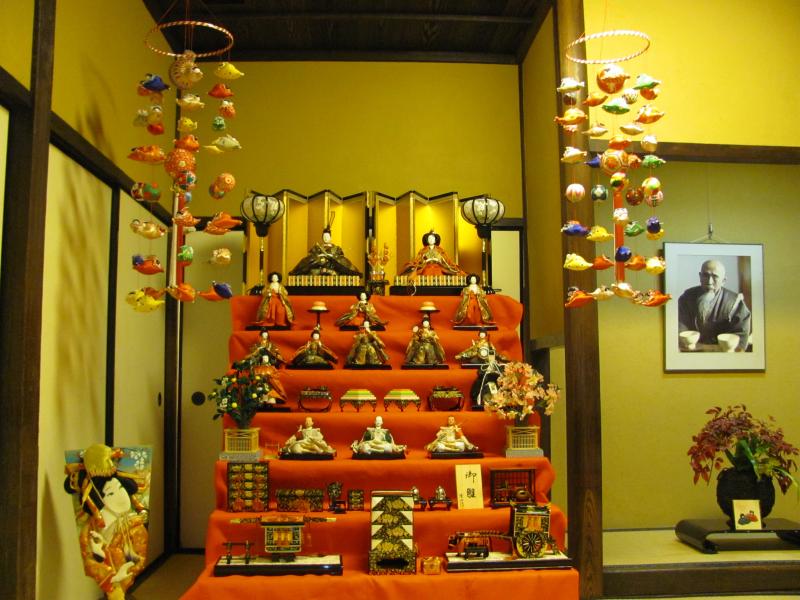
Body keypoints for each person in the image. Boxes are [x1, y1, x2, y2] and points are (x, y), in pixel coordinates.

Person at [67, 472, 149, 600]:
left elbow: (140, 559)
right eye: (111, 493)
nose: (122, 496)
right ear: (98, 500)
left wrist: (127, 571)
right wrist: (101, 555)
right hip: (110, 584)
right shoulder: (89, 532)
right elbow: (90, 563)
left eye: (121, 488)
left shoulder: (135, 527)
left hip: (123, 580)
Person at [678, 259, 752, 351]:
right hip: (690, 353)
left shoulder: (735, 302)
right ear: (700, 276)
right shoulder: (686, 298)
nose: (709, 281)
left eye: (715, 276)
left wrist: (705, 347)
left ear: (723, 281)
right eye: (705, 275)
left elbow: (740, 342)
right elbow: (679, 332)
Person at [289, 226, 362, 277]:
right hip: (319, 266)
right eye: (324, 237)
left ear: (331, 237)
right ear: (322, 237)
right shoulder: (317, 247)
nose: (326, 238)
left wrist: (332, 258)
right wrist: (318, 257)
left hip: (333, 266)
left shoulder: (336, 248)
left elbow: (339, 257)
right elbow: (312, 256)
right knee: (307, 261)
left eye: (327, 237)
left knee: (342, 261)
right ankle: (295, 272)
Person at [399, 230, 466, 278]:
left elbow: (446, 261)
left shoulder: (441, 250)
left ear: (435, 240)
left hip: (438, 268)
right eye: (429, 238)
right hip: (426, 268)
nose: (431, 240)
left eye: (433, 238)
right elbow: (418, 261)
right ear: (427, 240)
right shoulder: (423, 251)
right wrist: (426, 260)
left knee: (440, 278)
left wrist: (439, 260)